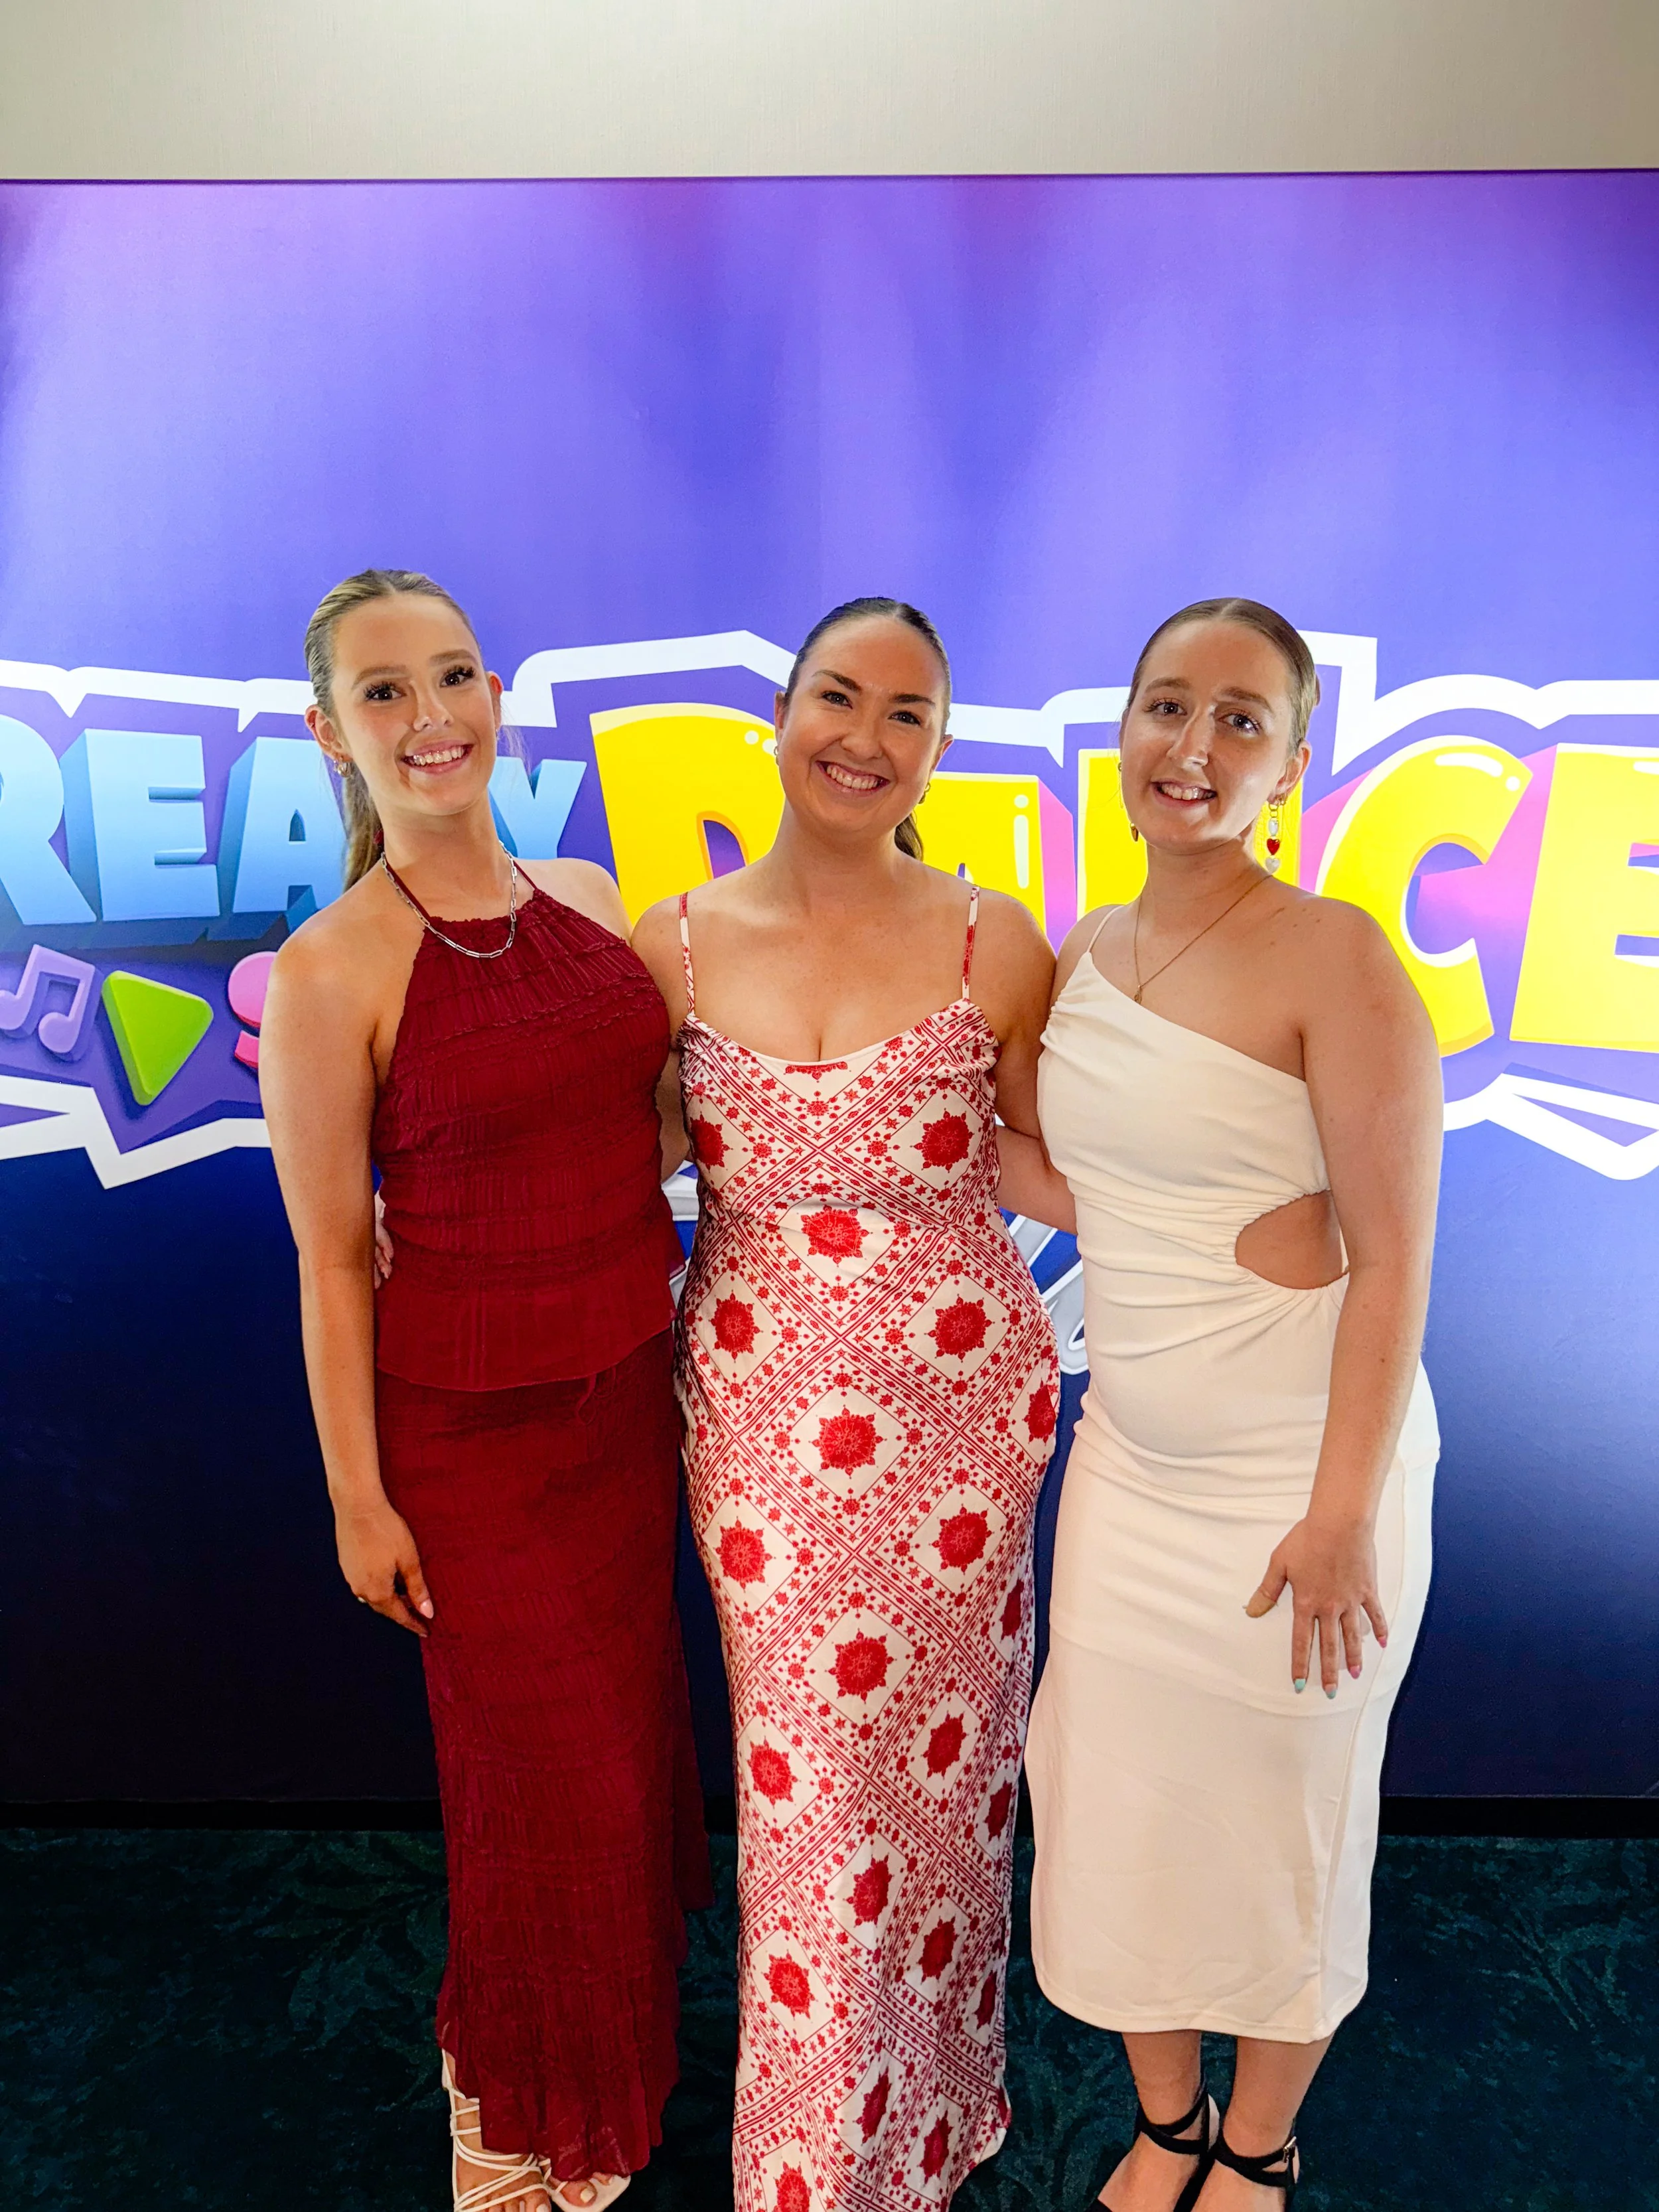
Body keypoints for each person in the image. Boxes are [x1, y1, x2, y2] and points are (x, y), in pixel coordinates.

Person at [259, 569, 708, 2212]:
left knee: (624, 1758)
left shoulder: (591, 893)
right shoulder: (329, 971)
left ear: (496, 695)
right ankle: (505, 2095)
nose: (430, 715)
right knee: (540, 1784)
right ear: (330, 735)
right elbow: (328, 1259)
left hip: (628, 1409)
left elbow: (655, 1123)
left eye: (451, 676)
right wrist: (355, 1495)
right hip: (463, 1445)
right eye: (384, 692)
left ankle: (598, 2056)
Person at [1000, 598, 1441, 2212]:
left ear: (1291, 764)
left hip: (1302, 1481)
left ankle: (1258, 2144)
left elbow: (1391, 1267)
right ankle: (1168, 2122)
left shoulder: (1336, 956)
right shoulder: (1086, 953)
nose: (1191, 747)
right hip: (1130, 1470)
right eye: (1164, 707)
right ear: (1117, 730)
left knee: (1280, 1820)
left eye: (1238, 719)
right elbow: (1095, 1188)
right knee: (1116, 1803)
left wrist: (1337, 1518)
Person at [632, 598, 1061, 2212]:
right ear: (783, 709)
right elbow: (631, 1156)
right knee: (807, 1781)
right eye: (836, 695)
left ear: (938, 751)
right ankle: (812, 2163)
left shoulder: (988, 937)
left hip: (962, 1420)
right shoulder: (664, 940)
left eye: (906, 714)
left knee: (947, 1772)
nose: (862, 737)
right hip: (758, 1424)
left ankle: (936, 2108)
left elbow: (1032, 1155)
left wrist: (1246, 1209)